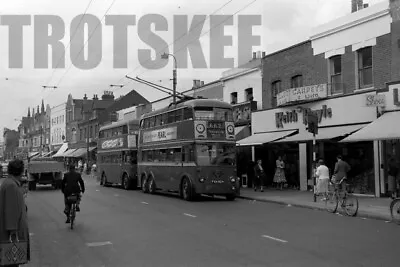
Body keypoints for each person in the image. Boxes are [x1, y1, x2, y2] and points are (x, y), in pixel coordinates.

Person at [0, 159, 30, 266]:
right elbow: (11, 211)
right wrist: (13, 234)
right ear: (21, 171)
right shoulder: (11, 186)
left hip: (11, 233)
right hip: (12, 236)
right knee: (12, 262)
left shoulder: (10, 183)